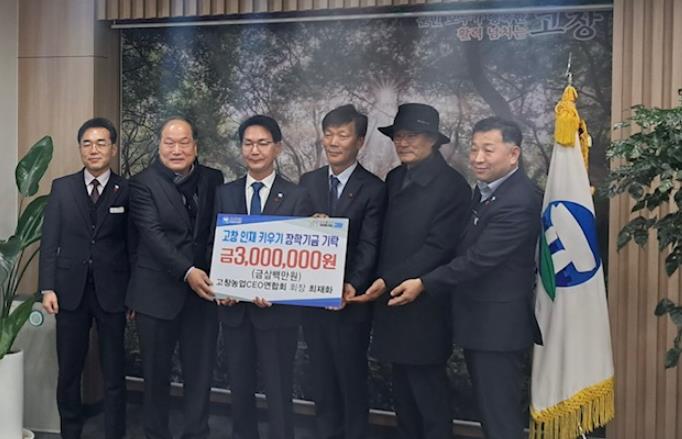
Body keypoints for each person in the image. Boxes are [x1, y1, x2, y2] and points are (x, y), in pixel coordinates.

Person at [388, 117, 543, 439]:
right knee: (491, 412)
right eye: (474, 149)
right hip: (479, 324)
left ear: (513, 154)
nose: (478, 158)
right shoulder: (486, 191)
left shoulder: (520, 200)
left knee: (499, 418)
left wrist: (424, 282)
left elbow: (478, 260)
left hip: (497, 328)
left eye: (488, 150)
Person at [348, 103, 471, 439]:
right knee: (402, 390)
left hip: (425, 303)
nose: (402, 143)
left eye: (412, 135)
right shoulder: (395, 177)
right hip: (391, 302)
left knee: (428, 392)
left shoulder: (453, 186)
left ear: (433, 139)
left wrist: (388, 280)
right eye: (398, 136)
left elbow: (438, 248)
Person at [213, 115, 311, 439]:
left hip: (277, 314)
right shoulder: (224, 193)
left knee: (279, 391)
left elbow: (299, 259)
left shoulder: (296, 196)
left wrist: (277, 290)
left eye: (263, 143)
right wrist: (222, 286)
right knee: (239, 390)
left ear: (277, 148)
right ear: (241, 148)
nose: (254, 150)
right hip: (235, 311)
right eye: (248, 143)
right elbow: (215, 246)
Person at [125, 116, 224, 439]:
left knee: (200, 374)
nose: (176, 149)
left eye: (184, 142)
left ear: (196, 147)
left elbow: (219, 229)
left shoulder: (213, 179)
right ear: (159, 146)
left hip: (203, 295)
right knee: (156, 377)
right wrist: (187, 272)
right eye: (169, 142)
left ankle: (197, 433)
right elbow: (153, 236)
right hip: (156, 294)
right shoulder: (142, 183)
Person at [39, 117, 130, 439]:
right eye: (87, 143)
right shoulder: (62, 188)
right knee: (69, 372)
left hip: (113, 293)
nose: (94, 150)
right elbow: (49, 240)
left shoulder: (127, 190)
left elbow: (133, 246)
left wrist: (132, 295)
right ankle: (70, 432)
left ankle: (114, 433)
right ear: (80, 149)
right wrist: (47, 287)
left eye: (101, 143)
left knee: (114, 373)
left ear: (113, 149)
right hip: (69, 292)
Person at [299, 104, 385, 439]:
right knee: (321, 383)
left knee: (351, 382)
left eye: (343, 135)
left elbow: (370, 244)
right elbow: (295, 238)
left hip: (350, 303)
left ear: (359, 141)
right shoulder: (308, 182)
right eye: (329, 134)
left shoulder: (373, 188)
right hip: (312, 302)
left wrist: (352, 284)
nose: (333, 142)